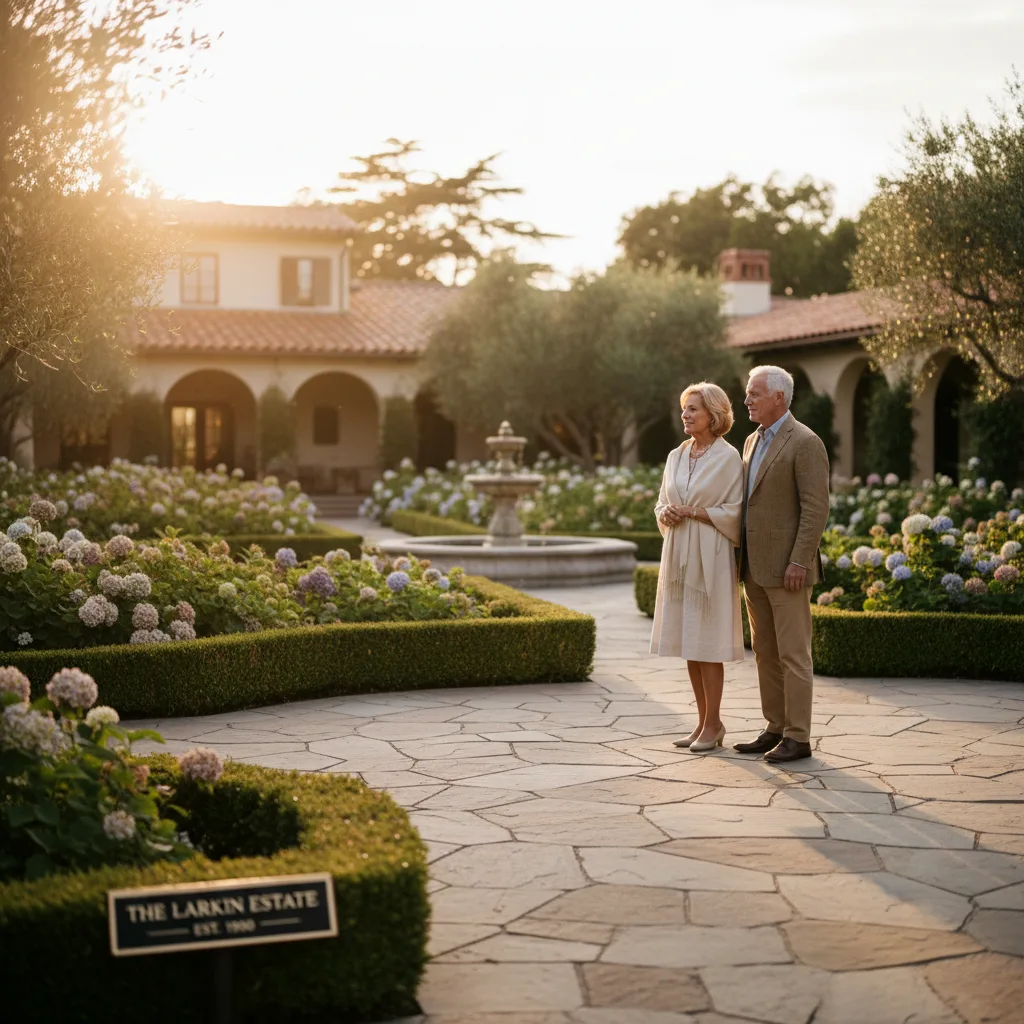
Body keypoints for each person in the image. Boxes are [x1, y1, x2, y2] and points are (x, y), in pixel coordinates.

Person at [734, 365, 830, 763]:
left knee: (794, 654)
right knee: (765, 651)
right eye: (747, 394)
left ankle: (799, 737)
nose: (747, 400)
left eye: (755, 394)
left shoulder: (805, 441)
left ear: (779, 397)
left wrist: (798, 561)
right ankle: (775, 727)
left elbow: (816, 508)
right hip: (753, 568)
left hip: (789, 570)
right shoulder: (750, 441)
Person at [650, 382, 745, 753]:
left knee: (707, 642)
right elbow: (661, 502)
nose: (685, 415)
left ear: (714, 414)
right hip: (678, 555)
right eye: (684, 409)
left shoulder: (728, 458)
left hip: (712, 556)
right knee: (690, 640)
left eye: (693, 409)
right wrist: (668, 512)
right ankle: (704, 723)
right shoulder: (676, 454)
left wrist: (692, 511)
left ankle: (714, 722)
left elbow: (737, 511)